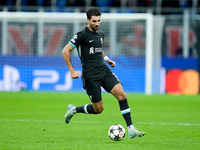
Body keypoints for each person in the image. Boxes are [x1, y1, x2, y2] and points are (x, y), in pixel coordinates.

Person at [62, 7, 145, 139]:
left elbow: (98, 49)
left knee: (122, 94)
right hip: (90, 76)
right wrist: (72, 70)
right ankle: (73, 110)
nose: (97, 23)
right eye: (94, 21)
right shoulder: (81, 35)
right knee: (98, 109)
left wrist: (107, 59)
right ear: (88, 20)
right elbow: (65, 51)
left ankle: (131, 129)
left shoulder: (100, 34)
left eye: (99, 21)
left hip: (103, 71)